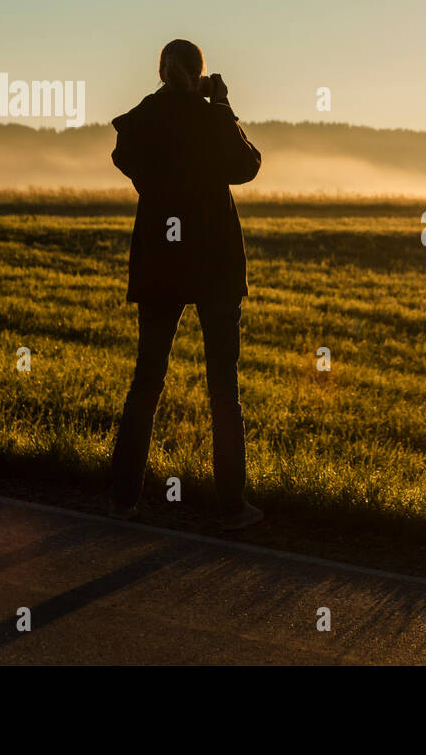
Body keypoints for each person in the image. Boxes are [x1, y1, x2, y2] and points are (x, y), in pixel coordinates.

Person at [107, 38, 264, 530]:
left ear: (161, 72)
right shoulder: (212, 118)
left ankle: (122, 499)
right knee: (223, 385)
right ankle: (232, 506)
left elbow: (124, 151)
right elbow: (248, 166)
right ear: (200, 74)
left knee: (147, 378)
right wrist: (222, 106)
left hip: (159, 261)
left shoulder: (144, 121)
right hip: (215, 262)